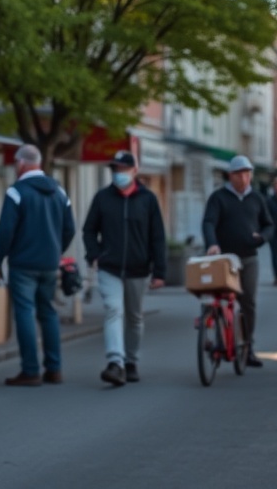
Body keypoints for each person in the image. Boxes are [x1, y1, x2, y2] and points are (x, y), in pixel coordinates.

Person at [0, 144, 76, 387]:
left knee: (25, 313)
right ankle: (54, 369)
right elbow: (69, 228)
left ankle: (30, 370)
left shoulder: (16, 192)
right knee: (48, 312)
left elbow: (6, 231)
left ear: (21, 164)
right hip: (50, 264)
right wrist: (56, 251)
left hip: (23, 264)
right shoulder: (60, 192)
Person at [82, 150, 166, 386]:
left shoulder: (148, 200)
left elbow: (157, 237)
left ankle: (131, 361)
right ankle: (115, 363)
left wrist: (160, 271)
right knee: (113, 311)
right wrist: (94, 254)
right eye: (115, 170)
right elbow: (89, 230)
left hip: (139, 269)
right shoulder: (102, 198)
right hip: (109, 267)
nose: (118, 174)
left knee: (135, 317)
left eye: (122, 169)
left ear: (134, 171)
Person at [202, 154, 273, 368]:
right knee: (219, 300)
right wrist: (212, 243)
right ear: (230, 176)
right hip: (224, 259)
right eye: (239, 174)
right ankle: (220, 339)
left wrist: (262, 238)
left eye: (247, 174)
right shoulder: (219, 197)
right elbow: (209, 222)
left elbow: (269, 225)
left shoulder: (257, 198)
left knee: (248, 301)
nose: (244, 178)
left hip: (249, 257)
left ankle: (248, 346)